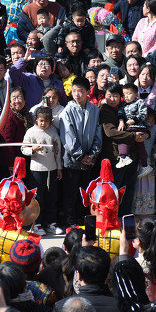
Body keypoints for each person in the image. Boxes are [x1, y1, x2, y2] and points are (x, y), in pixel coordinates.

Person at [59, 76, 101, 231]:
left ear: (87, 92)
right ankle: (70, 222)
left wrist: (92, 154)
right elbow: (67, 136)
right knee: (71, 193)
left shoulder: (94, 110)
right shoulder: (67, 110)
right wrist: (80, 156)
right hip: (72, 160)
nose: (77, 94)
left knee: (85, 192)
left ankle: (83, 219)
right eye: (75, 91)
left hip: (89, 160)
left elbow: (98, 133)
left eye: (81, 91)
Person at [21, 106, 62, 236]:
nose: (43, 123)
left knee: (52, 196)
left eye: (46, 121)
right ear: (36, 119)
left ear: (50, 121)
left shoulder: (53, 132)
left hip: (52, 169)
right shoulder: (31, 132)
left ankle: (51, 222)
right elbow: (23, 148)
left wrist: (59, 167)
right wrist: (33, 149)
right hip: (36, 170)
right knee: (37, 197)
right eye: (41, 120)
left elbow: (58, 152)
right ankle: (36, 223)